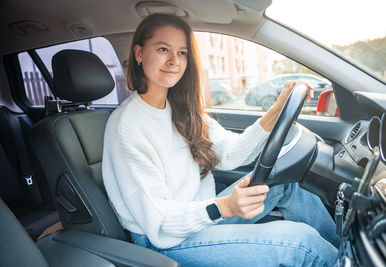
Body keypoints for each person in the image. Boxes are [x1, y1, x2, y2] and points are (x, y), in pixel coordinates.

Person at [102, 13, 340, 266]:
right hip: (164, 239)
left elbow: (233, 153)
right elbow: (159, 218)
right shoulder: (126, 126)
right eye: (163, 49)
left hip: (199, 217)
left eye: (182, 53)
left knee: (289, 182)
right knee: (300, 243)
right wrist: (224, 207)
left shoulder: (180, 109)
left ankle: (344, 254)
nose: (174, 61)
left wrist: (278, 109)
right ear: (139, 53)